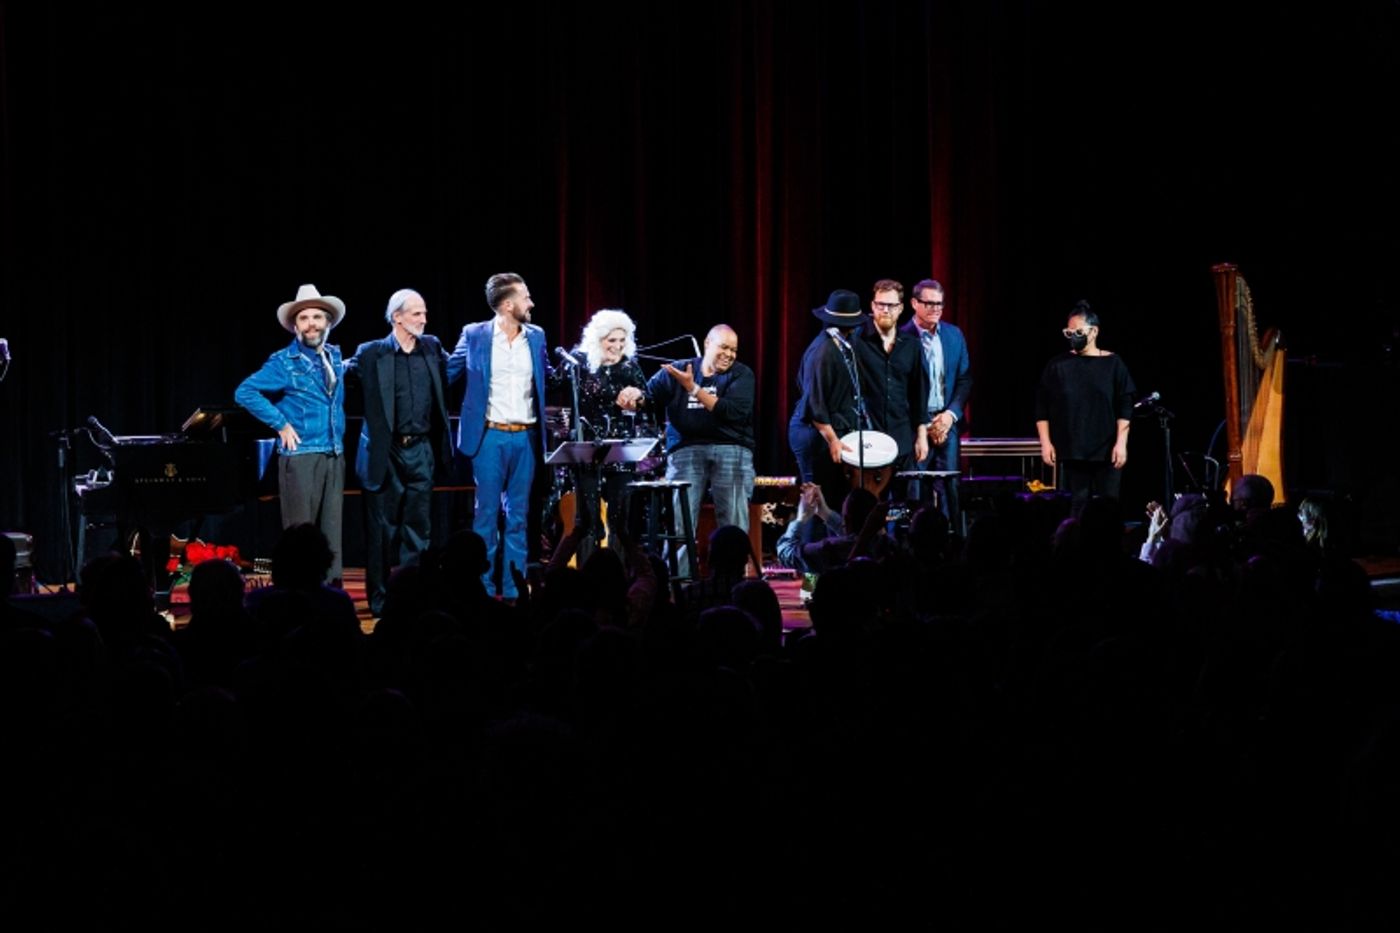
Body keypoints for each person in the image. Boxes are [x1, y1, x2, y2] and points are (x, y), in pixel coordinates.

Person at [344, 289, 453, 617]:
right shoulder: (370, 353)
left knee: (418, 529)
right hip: (384, 452)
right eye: (417, 313)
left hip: (421, 449)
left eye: (424, 313)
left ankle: (414, 596)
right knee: (382, 531)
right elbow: (335, 377)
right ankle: (380, 601)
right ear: (397, 317)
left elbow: (461, 370)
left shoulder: (431, 348)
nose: (424, 319)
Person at [235, 284, 348, 584]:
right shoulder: (284, 361)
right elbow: (245, 392)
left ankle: (331, 594)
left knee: (332, 532)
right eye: (304, 318)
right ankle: (298, 597)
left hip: (334, 454)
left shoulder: (334, 357)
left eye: (317, 317)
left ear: (327, 323)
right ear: (295, 325)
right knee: (300, 536)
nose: (311, 324)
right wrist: (281, 424)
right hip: (301, 456)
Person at [448, 273, 550, 601]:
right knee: (486, 514)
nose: (531, 303)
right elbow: (448, 373)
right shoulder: (474, 335)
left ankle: (513, 589)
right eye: (526, 298)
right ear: (507, 305)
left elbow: (546, 378)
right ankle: (481, 588)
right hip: (489, 435)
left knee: (519, 516)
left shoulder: (536, 336)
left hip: (525, 438)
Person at [636, 324, 755, 578]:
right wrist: (633, 396)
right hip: (687, 447)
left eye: (734, 350)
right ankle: (678, 584)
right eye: (724, 347)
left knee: (733, 523)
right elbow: (648, 395)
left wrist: (692, 389)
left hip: (731, 447)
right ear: (707, 344)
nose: (729, 354)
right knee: (679, 522)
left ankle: (732, 581)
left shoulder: (742, 375)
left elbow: (730, 412)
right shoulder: (680, 369)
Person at [553, 308, 652, 563]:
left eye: (622, 340)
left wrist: (636, 397)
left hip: (620, 449)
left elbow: (647, 401)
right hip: (586, 448)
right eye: (611, 340)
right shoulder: (578, 362)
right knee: (585, 521)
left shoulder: (629, 366)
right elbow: (552, 385)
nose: (618, 346)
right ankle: (558, 576)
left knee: (620, 522)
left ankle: (631, 575)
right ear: (597, 340)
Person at [1035, 300, 1136, 518]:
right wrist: (1046, 443)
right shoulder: (1058, 366)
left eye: (1078, 331)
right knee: (1077, 506)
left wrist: (1121, 443)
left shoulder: (1113, 364)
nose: (1073, 337)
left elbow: (1125, 406)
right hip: (1073, 450)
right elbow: (1041, 407)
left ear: (1094, 332)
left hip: (1107, 450)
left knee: (1108, 508)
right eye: (1069, 332)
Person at [900, 278, 972, 532]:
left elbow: (964, 379)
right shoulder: (902, 337)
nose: (935, 310)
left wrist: (950, 415)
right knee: (915, 486)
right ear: (914, 303)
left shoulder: (953, 334)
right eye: (929, 304)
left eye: (939, 304)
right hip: (913, 426)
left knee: (951, 487)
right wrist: (923, 424)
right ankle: (913, 544)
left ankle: (955, 543)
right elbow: (900, 387)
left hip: (946, 421)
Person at [788, 289, 866, 510]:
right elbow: (815, 402)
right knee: (818, 498)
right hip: (814, 431)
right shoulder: (823, 351)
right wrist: (832, 439)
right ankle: (810, 544)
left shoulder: (843, 345)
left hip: (830, 426)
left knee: (834, 496)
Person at [853, 278, 929, 473]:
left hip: (902, 439)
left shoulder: (912, 345)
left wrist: (921, 436)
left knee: (904, 501)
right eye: (880, 304)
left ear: (901, 308)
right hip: (868, 439)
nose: (885, 310)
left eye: (891, 305)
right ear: (872, 305)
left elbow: (918, 394)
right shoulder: (857, 342)